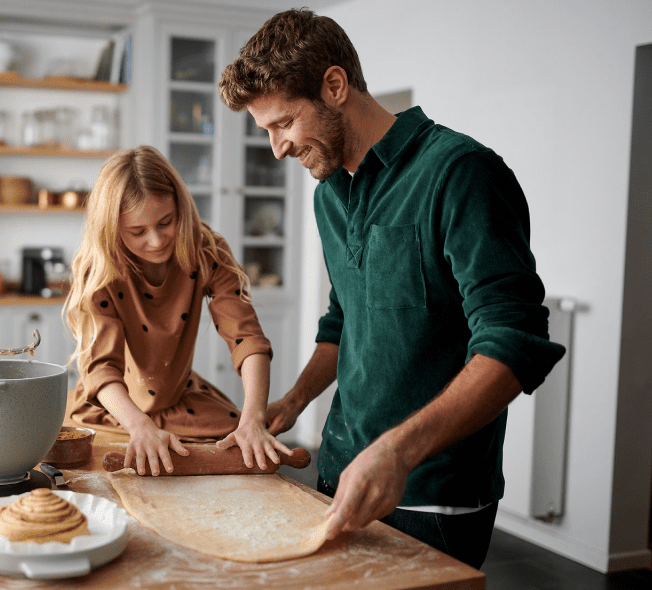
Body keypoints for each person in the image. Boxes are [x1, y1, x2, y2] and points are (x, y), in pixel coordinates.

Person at [218, 9, 565, 569]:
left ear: (334, 86)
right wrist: (293, 400)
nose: (277, 149)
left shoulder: (460, 173)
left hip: (432, 494)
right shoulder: (330, 193)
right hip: (339, 470)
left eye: (283, 124)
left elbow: (513, 340)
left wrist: (399, 452)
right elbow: (345, 318)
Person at [64, 145, 292, 476]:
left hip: (180, 402)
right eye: (137, 232)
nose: (156, 241)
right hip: (113, 408)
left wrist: (254, 420)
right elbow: (102, 369)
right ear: (111, 228)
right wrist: (140, 428)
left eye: (166, 222)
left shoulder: (207, 249)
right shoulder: (99, 268)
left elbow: (247, 337)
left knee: (247, 451)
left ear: (180, 208)